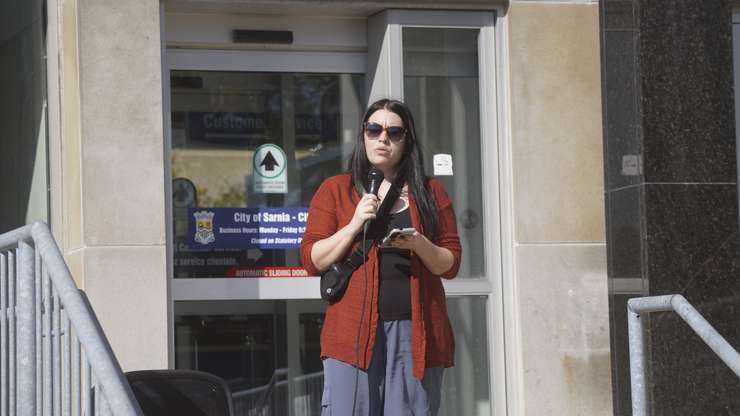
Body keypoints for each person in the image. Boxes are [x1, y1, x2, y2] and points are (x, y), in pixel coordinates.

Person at [299, 98, 462, 416]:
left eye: (393, 132)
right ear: (363, 135)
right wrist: (354, 223)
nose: (382, 138)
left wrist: (419, 244)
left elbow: (451, 263)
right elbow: (311, 259)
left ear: (407, 139)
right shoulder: (336, 190)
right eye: (373, 129)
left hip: (416, 334)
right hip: (352, 334)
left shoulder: (431, 192)